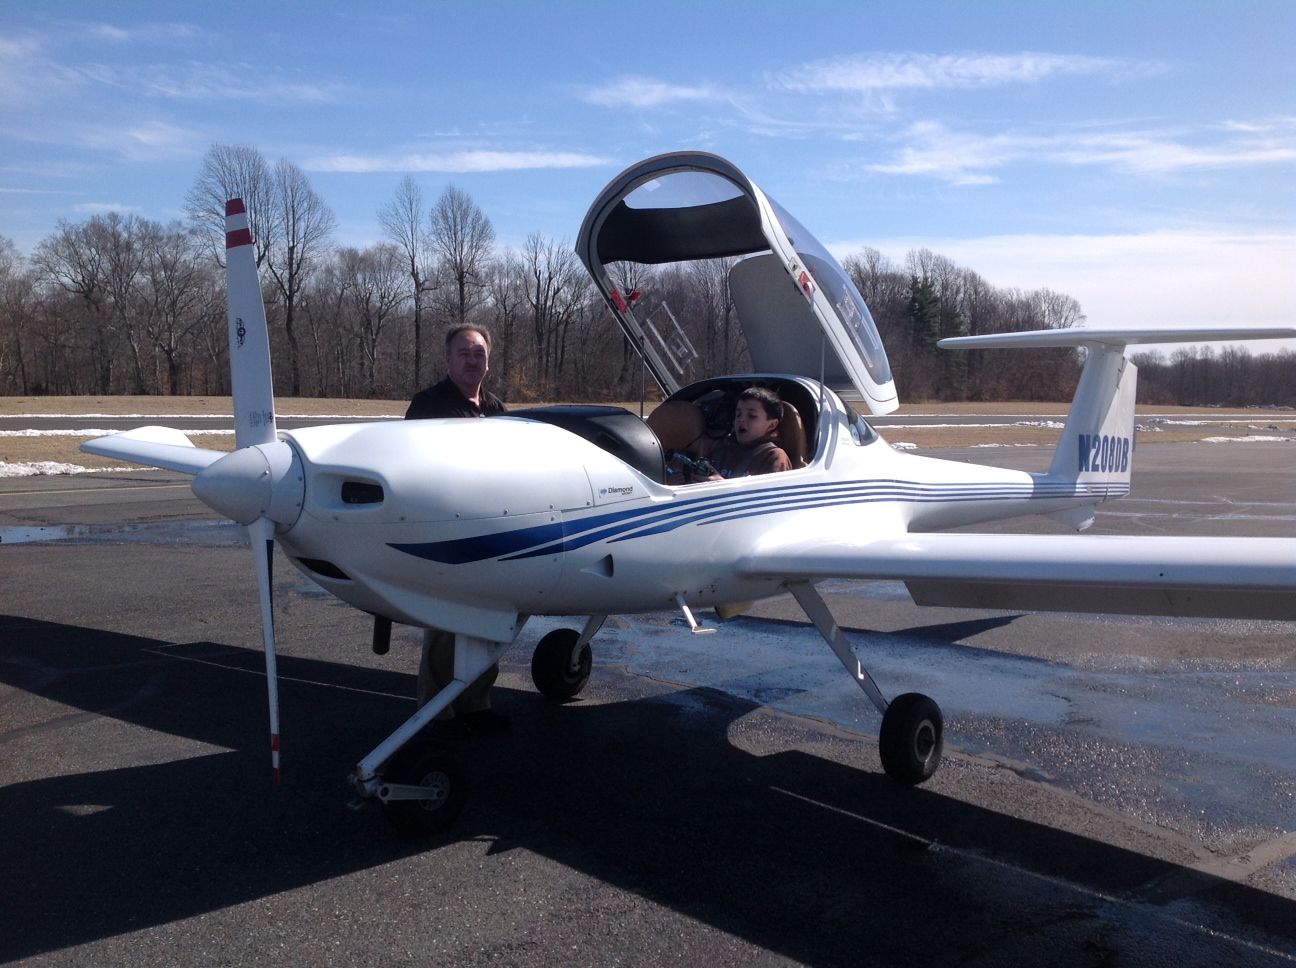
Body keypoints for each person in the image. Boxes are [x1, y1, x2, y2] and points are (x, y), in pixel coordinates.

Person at [405, 324, 509, 733]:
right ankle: (437, 712)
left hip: (492, 529)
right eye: (464, 353)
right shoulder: (428, 405)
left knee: (491, 617)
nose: (472, 360)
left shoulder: (497, 409)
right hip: (446, 532)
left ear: (488, 362)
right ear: (448, 359)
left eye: (479, 354)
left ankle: (476, 703)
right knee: (447, 624)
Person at [704, 386, 792, 480]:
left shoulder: (773, 457)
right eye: (738, 415)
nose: (741, 420)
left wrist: (720, 484)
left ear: (772, 425)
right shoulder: (722, 449)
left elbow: (773, 489)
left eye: (751, 416)